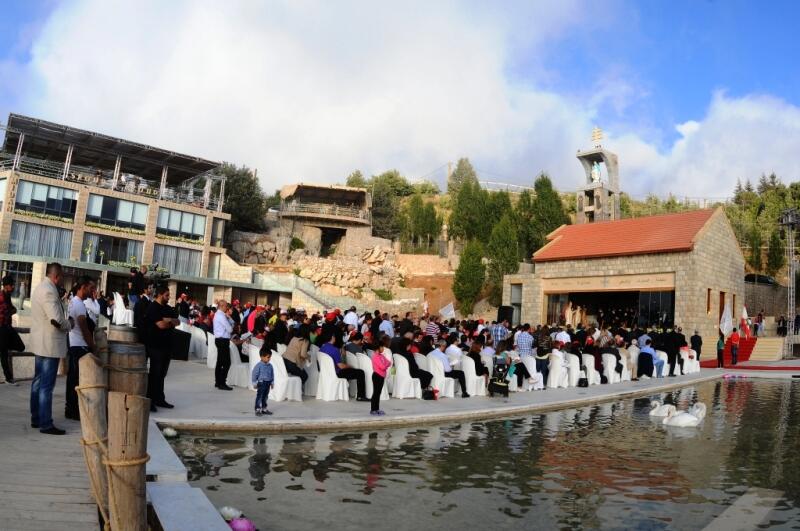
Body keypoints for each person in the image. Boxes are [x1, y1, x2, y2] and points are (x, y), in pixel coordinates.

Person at [30, 263, 71, 435]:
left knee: (38, 383)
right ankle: (46, 423)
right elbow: (56, 320)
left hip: (41, 343)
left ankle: (36, 418)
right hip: (49, 345)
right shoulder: (49, 290)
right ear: (58, 275)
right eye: (61, 276)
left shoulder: (40, 287)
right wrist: (70, 324)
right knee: (46, 386)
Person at [64, 276, 96, 421]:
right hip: (80, 346)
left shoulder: (74, 303)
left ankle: (71, 409)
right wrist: (93, 346)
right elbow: (84, 328)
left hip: (75, 345)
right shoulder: (79, 305)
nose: (93, 291)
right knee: (77, 380)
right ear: (83, 287)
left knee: (73, 379)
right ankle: (73, 410)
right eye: (91, 288)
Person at [145, 284, 179, 411]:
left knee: (162, 374)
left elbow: (177, 321)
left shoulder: (168, 308)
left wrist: (168, 320)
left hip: (167, 345)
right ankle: (150, 401)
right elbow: (161, 325)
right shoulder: (153, 308)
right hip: (155, 345)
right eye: (166, 295)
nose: (169, 297)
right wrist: (169, 322)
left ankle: (160, 399)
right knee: (155, 374)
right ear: (159, 294)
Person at [320, 335, 369, 401]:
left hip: (326, 372)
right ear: (332, 338)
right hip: (337, 373)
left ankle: (348, 391)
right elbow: (341, 366)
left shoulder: (322, 348)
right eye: (334, 337)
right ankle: (361, 396)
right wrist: (350, 366)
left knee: (351, 371)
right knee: (360, 372)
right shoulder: (335, 349)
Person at [0, 275, 19, 384]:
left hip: (7, 328)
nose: (13, 287)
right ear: (7, 286)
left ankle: (8, 378)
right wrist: (10, 311)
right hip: (2, 328)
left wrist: (11, 310)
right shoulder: (2, 296)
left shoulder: (7, 296)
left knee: (20, 347)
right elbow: (9, 311)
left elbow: (12, 309)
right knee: (4, 354)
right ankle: (8, 378)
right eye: (12, 285)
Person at [213, 300, 235, 391]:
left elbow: (232, 323)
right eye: (226, 306)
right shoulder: (221, 316)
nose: (227, 308)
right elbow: (230, 329)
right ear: (222, 306)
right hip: (222, 340)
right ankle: (222, 383)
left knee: (220, 362)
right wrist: (230, 323)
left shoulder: (220, 315)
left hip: (220, 340)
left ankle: (218, 382)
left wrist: (229, 318)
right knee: (226, 362)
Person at [370, 335, 393, 416]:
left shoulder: (381, 355)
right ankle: (373, 409)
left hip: (381, 376)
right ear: (378, 347)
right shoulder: (375, 357)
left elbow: (389, 362)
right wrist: (385, 365)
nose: (383, 348)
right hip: (377, 376)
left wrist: (385, 364)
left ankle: (377, 408)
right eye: (382, 347)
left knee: (378, 393)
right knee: (376, 393)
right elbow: (383, 367)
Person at [251, 347, 274, 416]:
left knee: (265, 396)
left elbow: (272, 374)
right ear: (262, 357)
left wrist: (272, 382)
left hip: (268, 383)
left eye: (270, 357)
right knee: (260, 396)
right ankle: (258, 409)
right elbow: (254, 374)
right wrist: (254, 383)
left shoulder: (270, 366)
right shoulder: (259, 366)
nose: (269, 358)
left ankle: (264, 408)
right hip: (261, 383)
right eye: (268, 357)